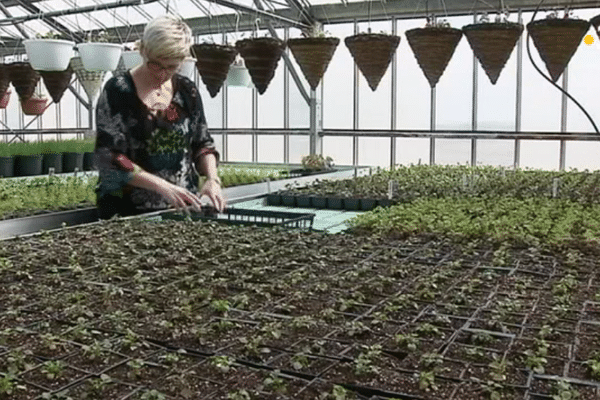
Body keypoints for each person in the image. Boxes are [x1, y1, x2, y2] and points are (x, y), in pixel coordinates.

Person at [94, 15, 225, 220]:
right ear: (143, 51)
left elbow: (202, 143)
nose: (162, 74)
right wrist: (160, 185)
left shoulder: (186, 92)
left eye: (172, 67)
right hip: (127, 212)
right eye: (155, 64)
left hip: (181, 210)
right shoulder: (118, 91)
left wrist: (212, 179)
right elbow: (111, 156)